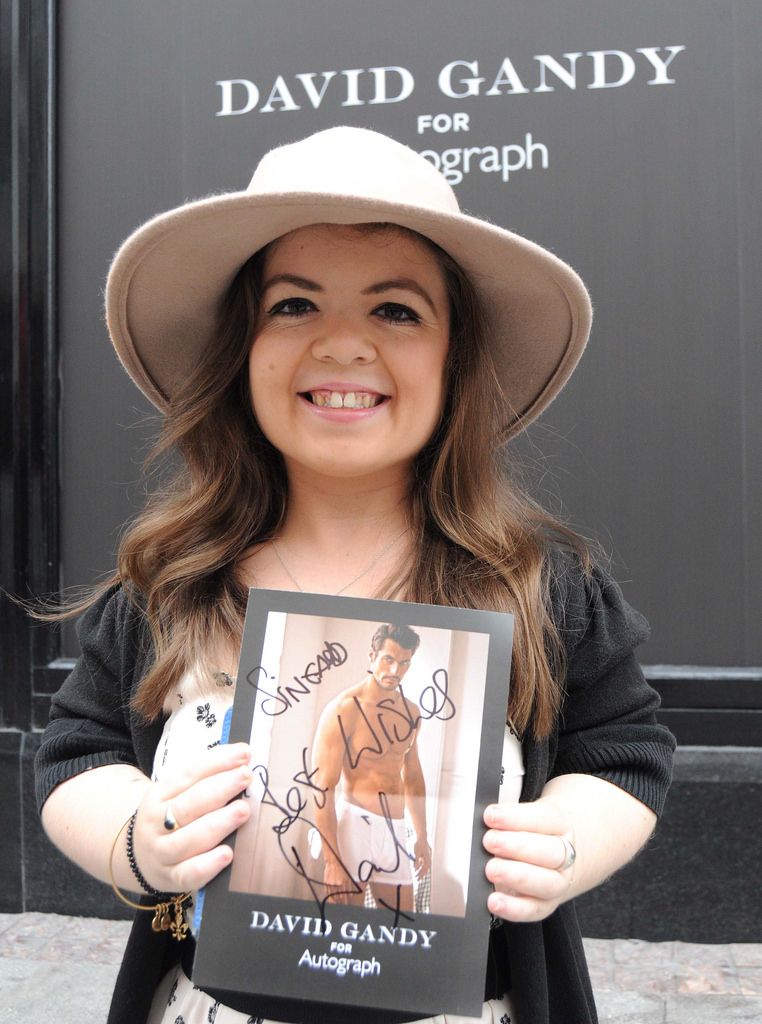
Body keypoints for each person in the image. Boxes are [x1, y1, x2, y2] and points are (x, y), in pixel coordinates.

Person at [34, 126, 675, 1024]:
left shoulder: (540, 586)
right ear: (241, 352)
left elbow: (624, 752)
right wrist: (137, 841)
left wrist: (568, 841)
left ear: (456, 361)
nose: (342, 345)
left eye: (397, 310)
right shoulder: (173, 585)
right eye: (293, 306)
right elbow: (78, 752)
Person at [311, 622, 431, 911]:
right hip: (355, 827)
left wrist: (422, 836)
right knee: (343, 925)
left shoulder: (412, 712)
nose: (395, 671)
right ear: (372, 656)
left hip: (396, 828)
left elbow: (413, 777)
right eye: (388, 660)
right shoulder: (344, 709)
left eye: (404, 663)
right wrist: (332, 860)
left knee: (400, 927)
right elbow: (322, 788)